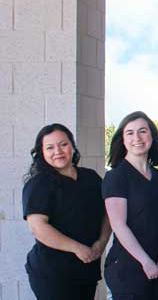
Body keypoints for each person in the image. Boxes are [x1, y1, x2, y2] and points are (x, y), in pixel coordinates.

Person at [21, 123, 111, 300]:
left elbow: (108, 213)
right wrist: (77, 248)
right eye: (50, 147)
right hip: (52, 273)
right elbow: (38, 227)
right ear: (41, 152)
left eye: (63, 144)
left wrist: (102, 242)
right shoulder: (39, 184)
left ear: (72, 146)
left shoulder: (91, 177)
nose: (58, 151)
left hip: (86, 270)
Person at [103, 111, 158, 300]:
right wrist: (145, 261)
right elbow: (118, 225)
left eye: (142, 131)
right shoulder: (116, 176)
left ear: (152, 136)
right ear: (122, 140)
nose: (137, 138)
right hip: (129, 266)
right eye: (130, 133)